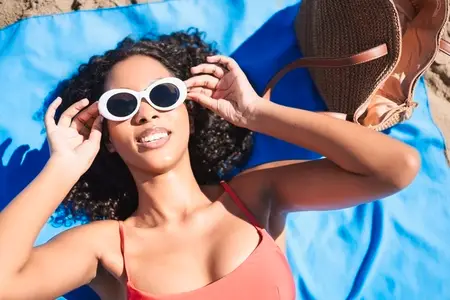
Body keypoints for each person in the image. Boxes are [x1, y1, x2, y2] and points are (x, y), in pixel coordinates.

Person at [0, 30, 420, 300]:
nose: (145, 114)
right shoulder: (107, 247)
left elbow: (396, 168)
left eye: (162, 95)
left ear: (189, 111)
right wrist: (63, 168)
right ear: (108, 137)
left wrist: (257, 113)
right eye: (123, 105)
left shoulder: (255, 196)